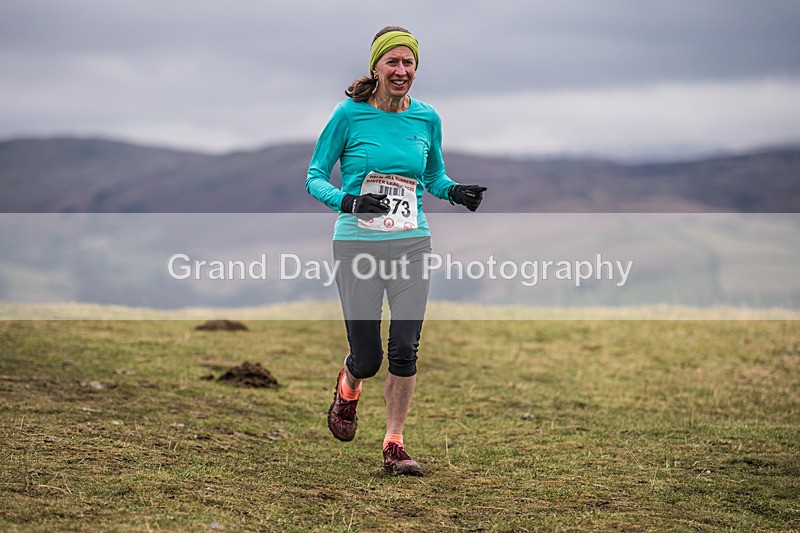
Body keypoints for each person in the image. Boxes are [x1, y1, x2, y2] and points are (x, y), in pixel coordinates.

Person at [305, 25, 487, 476]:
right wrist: (348, 201)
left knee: (405, 349)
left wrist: (455, 191)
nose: (401, 70)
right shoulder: (348, 115)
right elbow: (313, 177)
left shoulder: (427, 118)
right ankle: (348, 388)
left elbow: (432, 177)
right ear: (377, 67)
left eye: (409, 63)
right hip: (357, 244)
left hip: (411, 242)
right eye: (393, 62)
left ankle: (394, 444)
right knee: (368, 359)